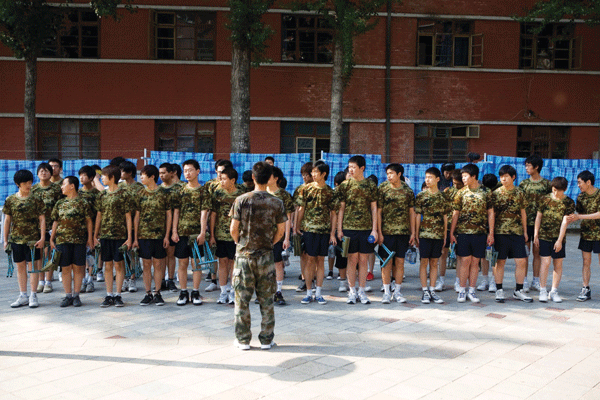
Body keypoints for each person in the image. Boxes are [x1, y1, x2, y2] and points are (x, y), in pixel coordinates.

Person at [230, 161, 286, 350]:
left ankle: (243, 340)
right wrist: (270, 243)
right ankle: (267, 340)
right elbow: (281, 231)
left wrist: (240, 243)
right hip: (266, 256)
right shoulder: (276, 202)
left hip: (244, 256)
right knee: (267, 300)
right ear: (270, 178)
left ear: (253, 177)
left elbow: (233, 229)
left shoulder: (241, 200)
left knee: (241, 300)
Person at [337, 155, 378, 305]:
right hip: (349, 228)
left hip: (366, 228)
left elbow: (374, 208)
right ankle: (352, 291)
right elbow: (341, 208)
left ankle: (362, 290)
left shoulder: (370, 186)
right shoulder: (345, 185)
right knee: (352, 260)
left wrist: (375, 230)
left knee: (363, 260)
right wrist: (339, 229)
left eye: (354, 167)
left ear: (362, 168)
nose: (351, 170)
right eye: (349, 167)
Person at [450, 163, 494, 303]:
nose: (463, 179)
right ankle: (462, 290)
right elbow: (455, 213)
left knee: (475, 262)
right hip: (463, 232)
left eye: (465, 176)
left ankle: (472, 290)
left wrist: (491, 232)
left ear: (474, 176)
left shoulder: (486, 192)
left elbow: (491, 213)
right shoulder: (461, 192)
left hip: (480, 232)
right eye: (462, 176)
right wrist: (451, 232)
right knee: (464, 261)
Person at [295, 162, 338, 305]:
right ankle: (308, 292)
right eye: (312, 172)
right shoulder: (306, 189)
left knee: (321, 261)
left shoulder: (330, 192)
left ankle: (319, 293)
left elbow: (333, 213)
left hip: (324, 231)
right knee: (309, 260)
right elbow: (300, 209)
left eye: (315, 172)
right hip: (309, 230)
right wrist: (296, 227)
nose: (312, 175)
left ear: (324, 174)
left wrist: (332, 233)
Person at [3, 170, 46, 308]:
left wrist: (42, 237)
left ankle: (33, 294)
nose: (29, 185)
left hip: (33, 241)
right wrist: (5, 240)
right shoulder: (11, 200)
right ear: (17, 184)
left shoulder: (36, 199)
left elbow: (42, 219)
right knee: (20, 267)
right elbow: (7, 221)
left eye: (30, 182)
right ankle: (23, 295)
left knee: (33, 267)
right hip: (16, 240)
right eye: (25, 183)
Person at [50, 176, 93, 307]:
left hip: (79, 240)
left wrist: (90, 238)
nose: (61, 187)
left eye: (64, 184)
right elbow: (55, 221)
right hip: (62, 240)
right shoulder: (60, 203)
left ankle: (76, 295)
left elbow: (88, 221)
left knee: (78, 268)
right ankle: (68, 295)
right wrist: (52, 238)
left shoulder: (83, 202)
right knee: (65, 268)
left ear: (72, 186)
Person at [171, 159, 210, 306]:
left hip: (196, 234)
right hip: (181, 233)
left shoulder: (203, 191)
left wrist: (202, 232)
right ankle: (183, 292)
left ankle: (195, 291)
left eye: (190, 170)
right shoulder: (180, 190)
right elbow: (176, 212)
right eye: (185, 170)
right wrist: (174, 231)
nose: (187, 173)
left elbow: (204, 213)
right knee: (181, 263)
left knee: (196, 263)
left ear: (198, 171)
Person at [491, 165, 531, 303]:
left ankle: (518, 290)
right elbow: (492, 215)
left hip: (517, 232)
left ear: (513, 177)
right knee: (499, 261)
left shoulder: (520, 192)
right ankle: (499, 289)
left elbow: (523, 212)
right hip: (499, 232)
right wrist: (490, 234)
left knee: (521, 261)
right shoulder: (495, 194)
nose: (503, 179)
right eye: (501, 176)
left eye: (506, 176)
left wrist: (525, 232)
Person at [94, 165, 133, 307]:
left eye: (103, 176)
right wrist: (95, 235)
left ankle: (118, 294)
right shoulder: (102, 195)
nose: (102, 178)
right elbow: (99, 215)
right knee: (107, 265)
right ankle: (109, 294)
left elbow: (128, 217)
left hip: (120, 236)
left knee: (119, 265)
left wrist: (129, 237)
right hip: (105, 236)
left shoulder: (124, 194)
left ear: (111, 177)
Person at [377, 163, 415, 304]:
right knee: (386, 263)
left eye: (392, 173)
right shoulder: (382, 188)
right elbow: (378, 211)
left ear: (399, 174)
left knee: (400, 262)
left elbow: (411, 212)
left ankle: (397, 292)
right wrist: (379, 232)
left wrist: (413, 233)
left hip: (403, 232)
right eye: (387, 173)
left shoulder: (407, 191)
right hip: (386, 233)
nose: (389, 176)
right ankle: (386, 292)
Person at [133, 165, 172, 306]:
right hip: (143, 236)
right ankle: (147, 293)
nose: (141, 178)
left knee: (158, 264)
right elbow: (136, 217)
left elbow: (169, 215)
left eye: (143, 175)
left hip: (159, 236)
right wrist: (135, 238)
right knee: (146, 264)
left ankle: (158, 292)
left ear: (152, 177)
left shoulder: (163, 193)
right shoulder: (140, 194)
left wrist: (167, 236)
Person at [534, 177, 574, 303]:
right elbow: (538, 217)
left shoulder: (569, 202)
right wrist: (536, 234)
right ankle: (542, 290)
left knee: (558, 264)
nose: (556, 193)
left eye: (559, 191)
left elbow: (565, 222)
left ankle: (554, 290)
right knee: (545, 262)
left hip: (559, 237)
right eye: (554, 190)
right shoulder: (545, 199)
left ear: (565, 190)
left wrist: (559, 240)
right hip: (544, 236)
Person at [210, 167, 245, 305]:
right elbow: (213, 215)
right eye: (220, 178)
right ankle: (223, 292)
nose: (221, 181)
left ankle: (232, 292)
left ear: (233, 180)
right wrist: (212, 235)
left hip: (236, 235)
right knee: (222, 262)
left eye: (224, 179)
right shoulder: (217, 193)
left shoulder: (242, 194)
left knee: (233, 264)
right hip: (220, 234)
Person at [414, 167, 448, 304]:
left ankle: (432, 290)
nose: (427, 180)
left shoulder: (442, 197)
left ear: (437, 179)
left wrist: (445, 234)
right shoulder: (421, 196)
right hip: (424, 234)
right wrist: (416, 234)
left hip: (438, 234)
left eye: (430, 177)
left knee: (435, 262)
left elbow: (445, 217)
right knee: (423, 262)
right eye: (426, 177)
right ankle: (425, 291)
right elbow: (417, 215)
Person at [519, 154, 552, 292]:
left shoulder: (547, 185)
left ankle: (536, 280)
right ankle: (524, 280)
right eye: (525, 165)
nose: (526, 168)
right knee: (524, 253)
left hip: (541, 224)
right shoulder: (523, 184)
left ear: (536, 167)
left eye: (529, 165)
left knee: (537, 252)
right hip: (525, 223)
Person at [566, 170, 600, 302]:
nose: (578, 185)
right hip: (586, 234)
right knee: (586, 262)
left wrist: (579, 216)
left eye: (580, 183)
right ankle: (585, 288)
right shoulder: (580, 197)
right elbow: (577, 214)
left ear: (589, 182)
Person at [32, 162, 63, 293]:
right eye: (41, 171)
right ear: (37, 174)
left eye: (46, 171)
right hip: (36, 227)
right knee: (38, 254)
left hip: (52, 226)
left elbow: (61, 206)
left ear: (51, 173)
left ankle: (49, 281)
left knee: (50, 253)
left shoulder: (56, 189)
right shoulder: (33, 189)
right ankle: (40, 280)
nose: (43, 173)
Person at [268, 166, 295, 305]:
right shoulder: (260, 193)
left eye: (269, 175)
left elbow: (288, 217)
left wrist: (286, 238)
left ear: (276, 178)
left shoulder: (284, 195)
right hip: (262, 235)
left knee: (278, 262)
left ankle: (278, 292)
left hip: (278, 235)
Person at [436, 169, 463, 292]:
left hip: (461, 228)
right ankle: (441, 281)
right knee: (443, 253)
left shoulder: (466, 193)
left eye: (459, 184)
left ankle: (458, 281)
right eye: (454, 183)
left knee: (460, 256)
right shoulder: (448, 192)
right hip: (447, 227)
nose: (456, 186)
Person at [119, 160, 144, 294]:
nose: (120, 173)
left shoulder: (139, 188)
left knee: (133, 252)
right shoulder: (119, 186)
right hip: (121, 225)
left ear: (129, 173)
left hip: (135, 224)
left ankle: (133, 278)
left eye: (123, 171)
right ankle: (124, 278)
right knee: (122, 252)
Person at [475, 173, 501, 292]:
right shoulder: (482, 193)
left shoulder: (500, 193)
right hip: (483, 227)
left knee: (494, 255)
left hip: (498, 228)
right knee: (484, 255)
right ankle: (485, 280)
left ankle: (493, 281)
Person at [159, 162, 182, 293]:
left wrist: (174, 230)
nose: (161, 175)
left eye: (164, 173)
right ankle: (161, 280)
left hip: (175, 225)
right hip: (160, 227)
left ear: (171, 173)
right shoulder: (158, 189)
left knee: (171, 253)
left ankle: (171, 279)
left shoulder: (179, 188)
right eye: (160, 173)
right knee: (161, 255)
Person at [78, 165, 101, 292]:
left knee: (91, 253)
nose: (81, 177)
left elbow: (99, 214)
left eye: (85, 175)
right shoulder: (77, 193)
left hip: (92, 229)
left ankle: (90, 279)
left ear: (91, 177)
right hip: (80, 229)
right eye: (80, 175)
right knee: (81, 255)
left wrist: (96, 233)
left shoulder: (96, 194)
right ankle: (82, 280)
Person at [292, 162, 314, 292]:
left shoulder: (317, 188)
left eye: (307, 175)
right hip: (301, 227)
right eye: (303, 175)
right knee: (302, 255)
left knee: (313, 256)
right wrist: (295, 225)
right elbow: (295, 208)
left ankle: (313, 279)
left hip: (314, 226)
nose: (305, 177)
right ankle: (304, 279)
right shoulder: (299, 189)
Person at [333, 171, 349, 291]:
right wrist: (337, 229)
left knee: (356, 257)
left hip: (356, 228)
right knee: (342, 255)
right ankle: (343, 282)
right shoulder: (337, 193)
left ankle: (354, 282)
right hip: (341, 229)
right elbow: (335, 212)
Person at [366, 174, 379, 282]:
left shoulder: (378, 196)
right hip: (363, 226)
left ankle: (370, 271)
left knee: (370, 250)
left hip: (373, 227)